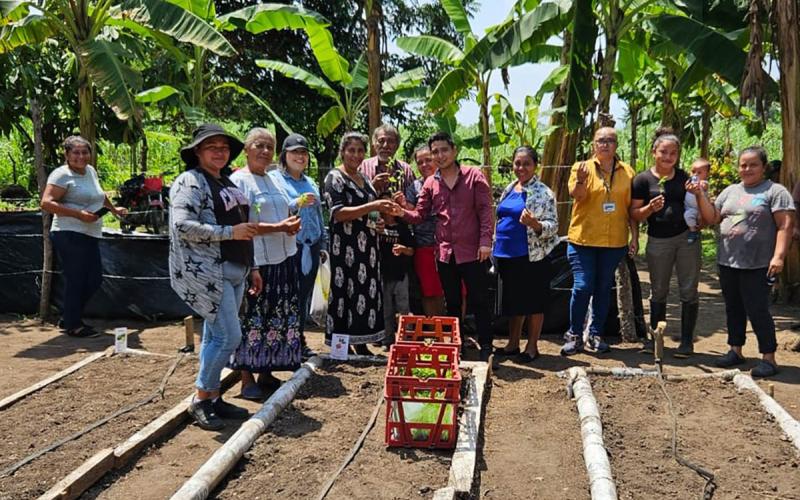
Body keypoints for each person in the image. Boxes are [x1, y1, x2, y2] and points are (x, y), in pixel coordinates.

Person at [169, 124, 259, 430]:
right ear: (197, 151)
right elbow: (182, 225)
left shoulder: (224, 181)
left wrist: (252, 266)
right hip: (209, 271)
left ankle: (213, 396)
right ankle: (201, 399)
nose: (220, 152)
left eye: (224, 147)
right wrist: (229, 233)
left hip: (235, 269)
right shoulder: (190, 182)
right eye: (212, 147)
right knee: (228, 337)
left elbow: (244, 225)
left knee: (213, 336)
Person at [694, 146, 795, 377]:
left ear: (763, 167)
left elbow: (785, 225)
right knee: (734, 308)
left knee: (758, 309)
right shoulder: (730, 191)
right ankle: (735, 350)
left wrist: (779, 256)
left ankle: (768, 358)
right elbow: (712, 218)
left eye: (753, 165)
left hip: (759, 263)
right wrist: (699, 195)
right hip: (728, 261)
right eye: (743, 165)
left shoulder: (775, 191)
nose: (747, 169)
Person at [398, 131, 495, 361]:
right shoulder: (431, 183)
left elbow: (486, 210)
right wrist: (400, 211)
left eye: (444, 150)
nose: (440, 155)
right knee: (452, 303)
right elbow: (419, 215)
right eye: (435, 152)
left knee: (479, 300)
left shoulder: (473, 176)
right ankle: (456, 348)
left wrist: (485, 242)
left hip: (473, 252)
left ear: (454, 150)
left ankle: (486, 347)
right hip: (444, 253)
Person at [228, 128, 303, 401]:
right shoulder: (239, 182)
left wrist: (291, 223)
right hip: (257, 261)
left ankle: (266, 371)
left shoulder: (273, 179)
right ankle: (246, 378)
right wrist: (254, 266)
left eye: (269, 147)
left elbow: (283, 211)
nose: (265, 151)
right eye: (259, 145)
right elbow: (242, 226)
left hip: (283, 258)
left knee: (274, 318)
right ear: (246, 150)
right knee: (252, 319)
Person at [323, 132, 402, 353]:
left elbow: (371, 213)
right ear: (342, 152)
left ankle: (361, 341)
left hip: (367, 248)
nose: (356, 155)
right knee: (344, 294)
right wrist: (373, 206)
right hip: (345, 247)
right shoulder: (335, 178)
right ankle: (341, 346)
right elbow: (338, 213)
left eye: (360, 151)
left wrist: (377, 223)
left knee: (364, 293)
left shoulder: (365, 179)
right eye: (351, 150)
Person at [41, 136, 127, 338]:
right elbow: (46, 203)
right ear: (67, 155)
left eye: (85, 152)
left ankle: (69, 316)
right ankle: (73, 325)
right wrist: (78, 215)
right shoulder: (61, 175)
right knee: (77, 279)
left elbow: (100, 195)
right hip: (68, 233)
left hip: (89, 233)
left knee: (94, 279)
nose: (81, 156)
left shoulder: (90, 171)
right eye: (76, 152)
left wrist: (113, 209)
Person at [562, 127, 637, 356]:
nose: (605, 144)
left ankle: (595, 335)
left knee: (604, 288)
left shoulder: (628, 172)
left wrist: (635, 236)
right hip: (583, 240)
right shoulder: (581, 167)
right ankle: (575, 335)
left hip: (614, 242)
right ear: (594, 145)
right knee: (583, 286)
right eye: (600, 140)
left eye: (610, 140)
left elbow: (631, 208)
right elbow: (577, 196)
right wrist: (581, 181)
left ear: (616, 145)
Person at [630, 128, 700, 358]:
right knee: (658, 290)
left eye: (673, 153)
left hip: (686, 239)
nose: (668, 157)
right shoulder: (642, 180)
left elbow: (695, 204)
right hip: (658, 240)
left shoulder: (684, 178)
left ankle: (687, 342)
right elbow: (634, 214)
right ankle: (655, 341)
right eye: (663, 152)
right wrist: (650, 208)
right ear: (654, 152)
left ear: (678, 155)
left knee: (688, 289)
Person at [493, 146, 558, 364]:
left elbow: (553, 226)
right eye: (517, 163)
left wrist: (535, 224)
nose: (521, 168)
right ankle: (513, 343)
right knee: (514, 302)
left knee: (533, 302)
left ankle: (532, 347)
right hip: (507, 255)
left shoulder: (544, 193)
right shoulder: (510, 188)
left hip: (532, 256)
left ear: (535, 166)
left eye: (526, 164)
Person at [271, 133, 329, 349]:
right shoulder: (275, 180)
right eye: (295, 152)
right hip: (289, 246)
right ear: (284, 155)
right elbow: (275, 209)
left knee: (303, 294)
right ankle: (284, 340)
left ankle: (298, 338)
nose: (300, 156)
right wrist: (297, 202)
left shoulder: (310, 182)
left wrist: (322, 243)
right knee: (287, 295)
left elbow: (318, 215)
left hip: (311, 246)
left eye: (303, 152)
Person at [405, 145, 445, 316]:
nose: (424, 165)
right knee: (428, 291)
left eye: (428, 160)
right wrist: (401, 205)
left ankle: (455, 328)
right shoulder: (414, 187)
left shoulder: (449, 180)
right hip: (424, 246)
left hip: (450, 246)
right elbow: (410, 214)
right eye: (420, 162)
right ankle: (433, 328)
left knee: (456, 291)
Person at [378, 195, 414, 350]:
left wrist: (403, 249)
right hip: (382, 274)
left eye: (390, 203)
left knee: (403, 308)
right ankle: (387, 340)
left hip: (400, 274)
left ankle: (406, 339)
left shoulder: (402, 227)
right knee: (386, 310)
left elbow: (412, 250)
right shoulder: (376, 227)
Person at [359, 123, 416, 196]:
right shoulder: (363, 167)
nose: (385, 146)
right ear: (374, 144)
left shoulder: (406, 170)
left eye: (391, 141)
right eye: (381, 141)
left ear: (397, 146)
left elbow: (414, 199)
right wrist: (372, 187)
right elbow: (354, 197)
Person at [683, 158, 711, 244]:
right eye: (693, 171)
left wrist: (700, 185)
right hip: (689, 208)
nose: (695, 174)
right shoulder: (689, 182)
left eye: (699, 172)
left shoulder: (704, 183)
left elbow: (704, 186)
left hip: (699, 210)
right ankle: (693, 230)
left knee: (692, 217)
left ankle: (694, 231)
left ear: (707, 174)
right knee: (687, 215)